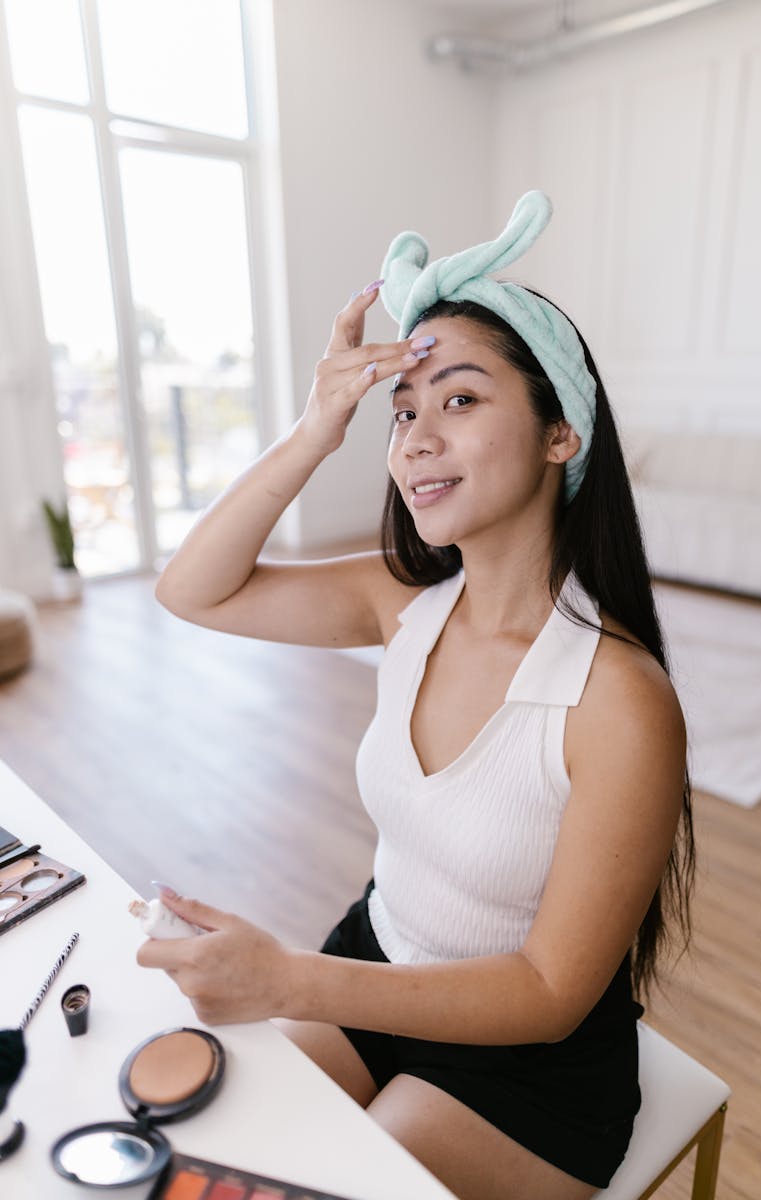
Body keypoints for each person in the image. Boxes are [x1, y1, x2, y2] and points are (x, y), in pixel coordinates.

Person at [139, 192, 694, 1200]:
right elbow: (193, 589)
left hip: (530, 1059)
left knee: (358, 1165)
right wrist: (318, 426)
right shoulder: (403, 603)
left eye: (461, 400)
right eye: (403, 411)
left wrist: (288, 981)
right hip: (376, 963)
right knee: (222, 1146)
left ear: (560, 434)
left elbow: (547, 992)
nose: (415, 439)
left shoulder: (618, 700)